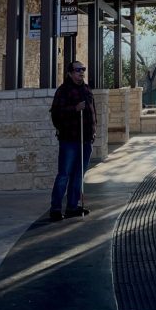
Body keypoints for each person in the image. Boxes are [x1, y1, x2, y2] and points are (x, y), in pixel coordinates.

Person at [49, 60, 96, 220]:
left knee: (78, 175)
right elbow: (56, 114)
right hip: (70, 140)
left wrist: (93, 131)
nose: (81, 72)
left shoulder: (87, 90)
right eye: (77, 70)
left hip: (86, 140)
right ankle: (55, 209)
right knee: (64, 174)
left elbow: (92, 112)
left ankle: (72, 206)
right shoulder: (63, 91)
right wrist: (74, 109)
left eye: (83, 69)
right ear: (69, 73)